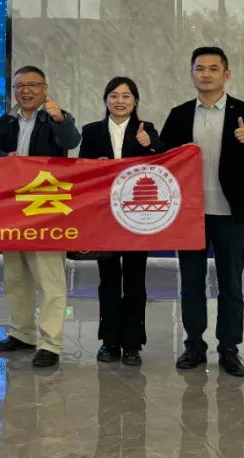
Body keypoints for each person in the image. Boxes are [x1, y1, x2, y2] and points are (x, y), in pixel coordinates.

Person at [161, 46, 244, 377]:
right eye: (200, 68)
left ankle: (229, 348)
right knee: (191, 282)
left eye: (213, 68)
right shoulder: (180, 114)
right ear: (191, 73)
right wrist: (151, 145)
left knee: (231, 284)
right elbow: (162, 159)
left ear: (226, 74)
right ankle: (194, 344)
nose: (206, 74)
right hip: (190, 213)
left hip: (231, 213)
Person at [0, 65, 81, 368]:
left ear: (45, 89)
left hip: (45, 209)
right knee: (15, 276)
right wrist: (4, 158)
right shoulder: (6, 121)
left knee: (49, 279)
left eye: (32, 85)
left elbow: (70, 141)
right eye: (20, 86)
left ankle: (51, 343)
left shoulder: (56, 117)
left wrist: (60, 119)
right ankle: (22, 333)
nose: (26, 91)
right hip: (12, 211)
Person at [79, 76, 167, 366]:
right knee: (107, 280)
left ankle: (132, 344)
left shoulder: (146, 129)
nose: (120, 101)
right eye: (114, 95)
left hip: (136, 216)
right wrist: (95, 166)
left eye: (126, 96)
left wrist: (150, 144)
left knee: (134, 279)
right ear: (106, 100)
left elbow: (164, 159)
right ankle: (109, 341)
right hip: (104, 215)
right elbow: (81, 170)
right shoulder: (91, 131)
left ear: (135, 101)